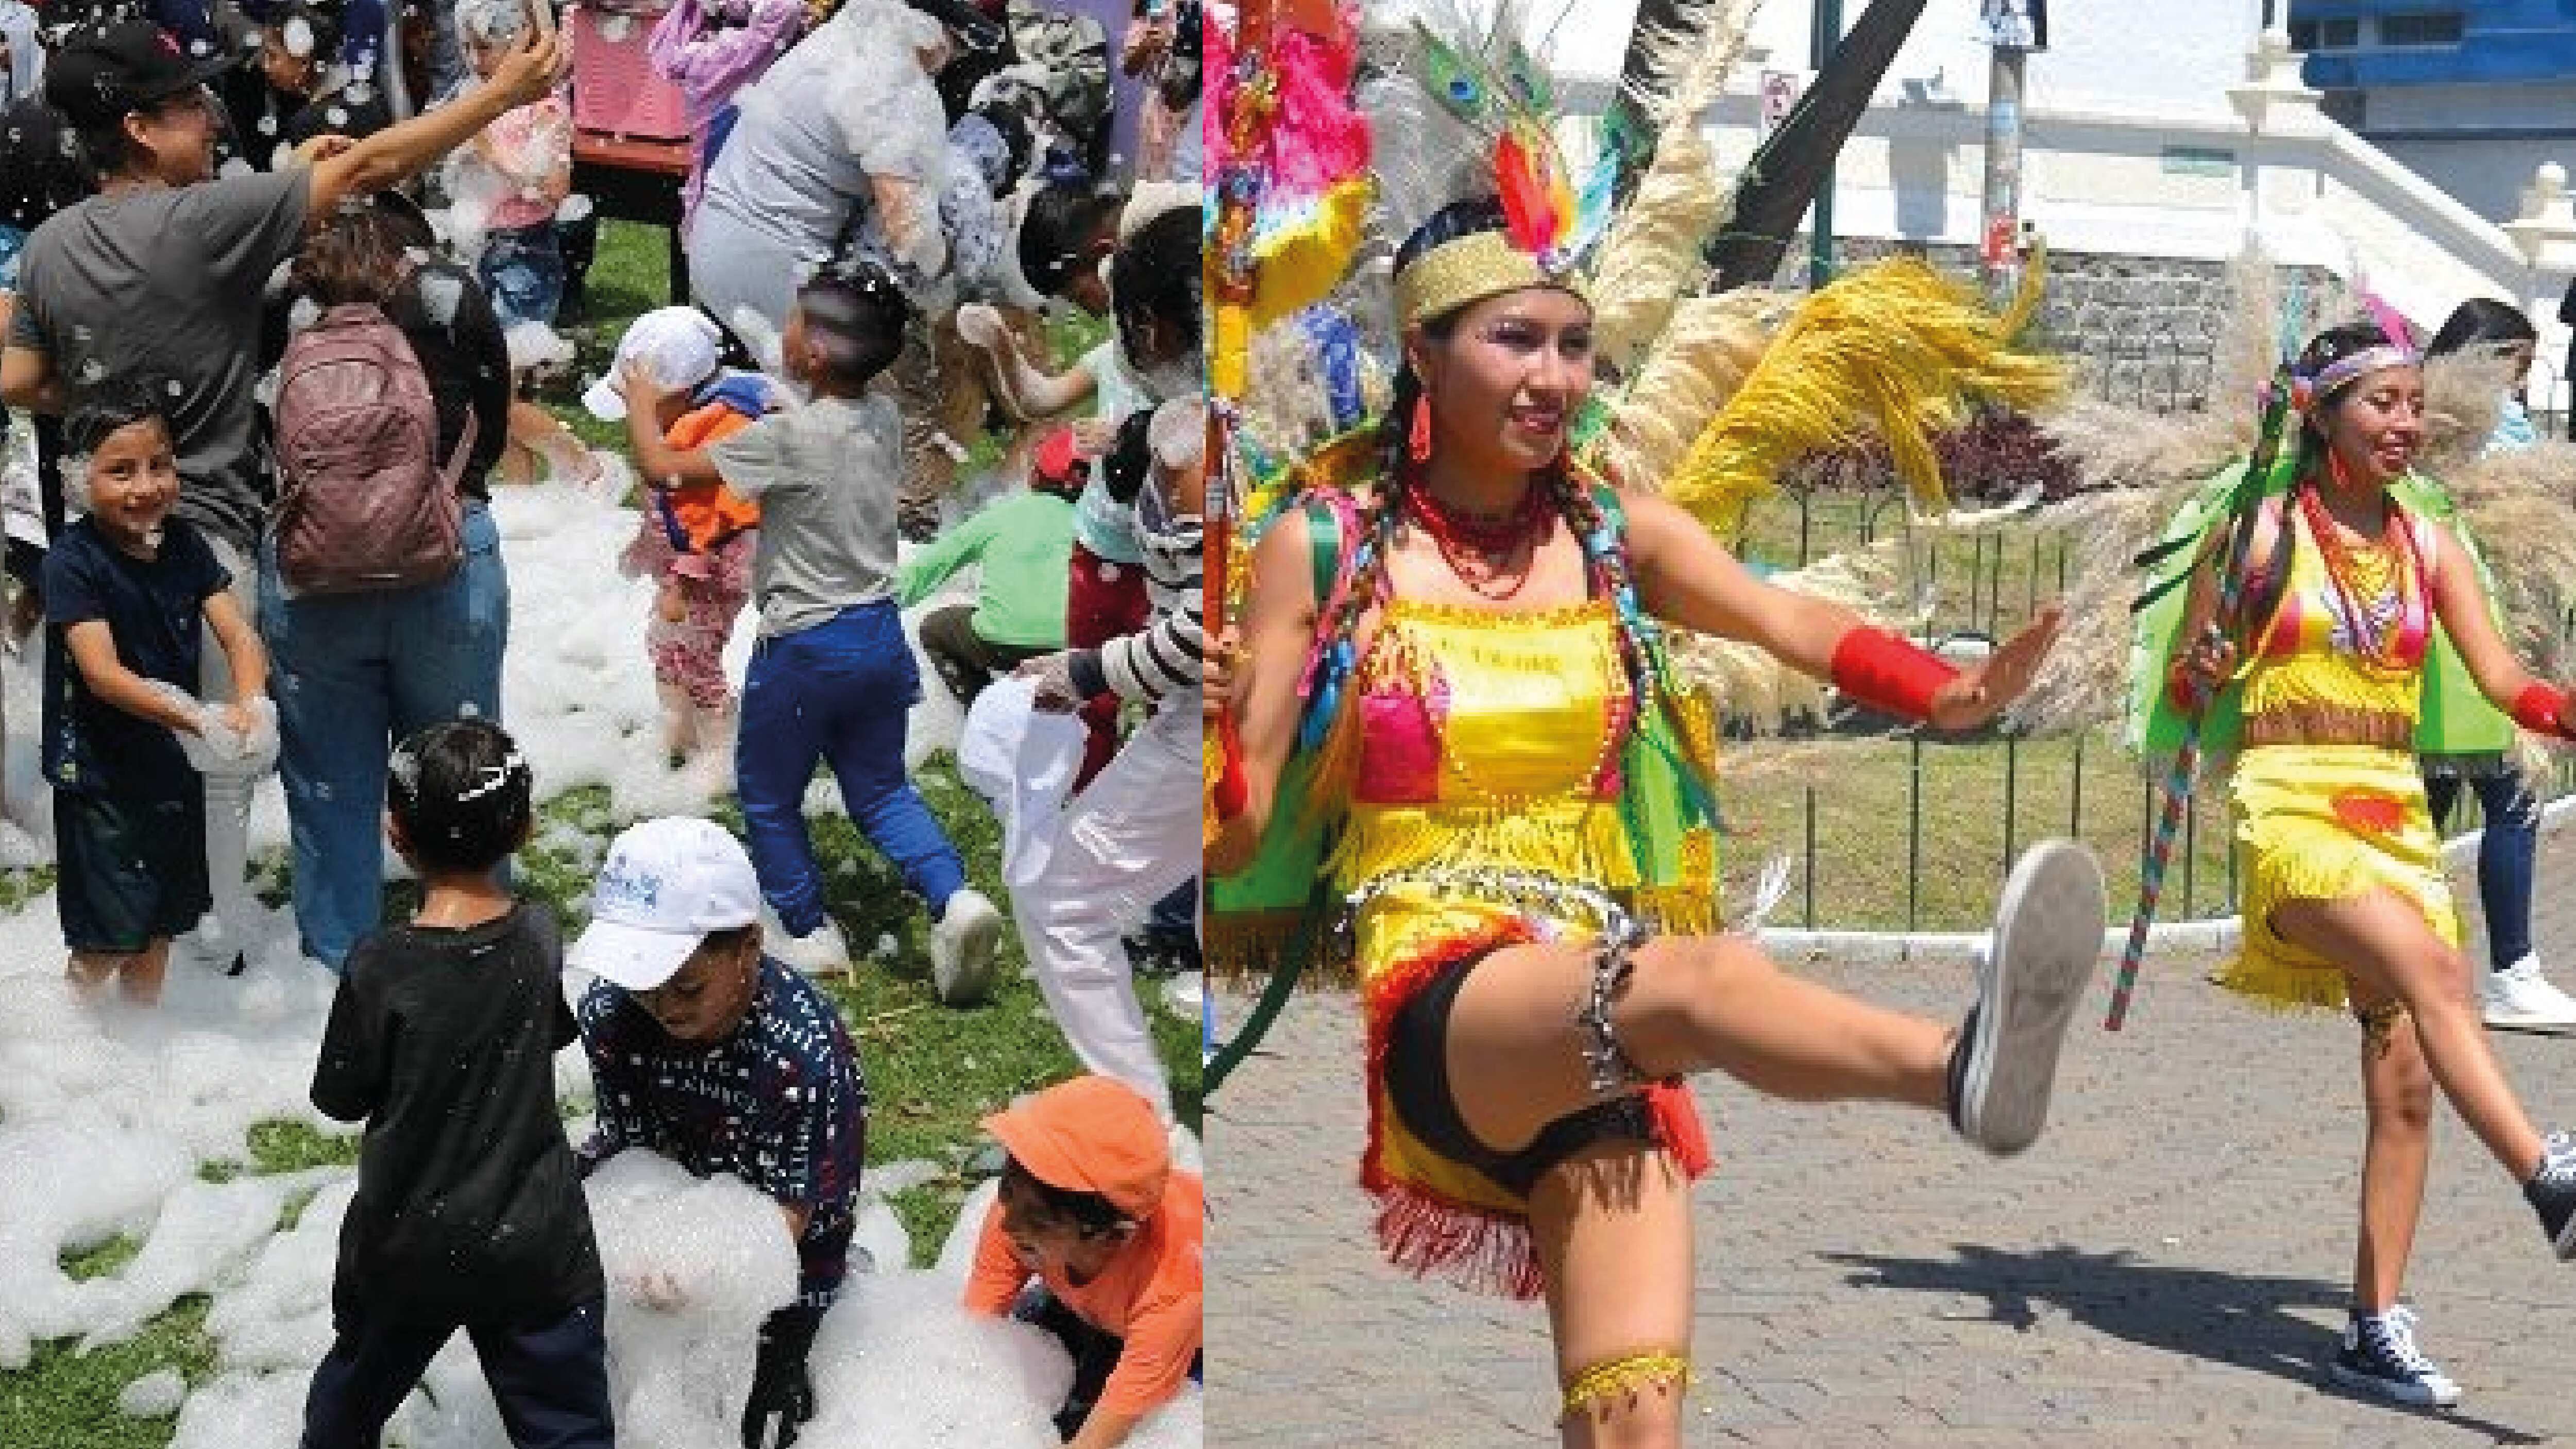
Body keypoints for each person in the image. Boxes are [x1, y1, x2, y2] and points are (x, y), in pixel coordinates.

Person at [1209, 193, 2109, 1445]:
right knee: (1701, 978)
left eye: (1572, 346)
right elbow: (1236, 833)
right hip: (1448, 991)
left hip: (1595, 1019)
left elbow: (1787, 619)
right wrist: (1200, 750)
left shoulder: (1614, 535)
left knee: (1635, 1428)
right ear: (1421, 349)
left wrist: (1945, 690)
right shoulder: (1324, 546)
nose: (1552, 376)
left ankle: (1965, 1068)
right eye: (1514, 340)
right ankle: (1960, 1068)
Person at [2, 11, 564, 973]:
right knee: (223, 763)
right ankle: (217, 938)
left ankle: (146, 955)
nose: (212, 119)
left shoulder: (54, 244)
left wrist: (110, 405)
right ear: (139, 128)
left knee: (121, 762)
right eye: (189, 106)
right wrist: (502, 97)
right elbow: (377, 164)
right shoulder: (210, 221)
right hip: (207, 545)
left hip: (99, 548)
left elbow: (15, 379)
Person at [2156, 318, 2576, 1407]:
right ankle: (2549, 1171)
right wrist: (2203, 661)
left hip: (2393, 813)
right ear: (2323, 413)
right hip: (2288, 810)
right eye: (2380, 402)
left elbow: (2503, 681)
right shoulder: (2258, 530)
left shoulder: (2427, 542)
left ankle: (2370, 1327)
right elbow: (2190, 692)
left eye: (2411, 402)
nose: (2405, 422)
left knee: (2405, 1090)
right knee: (2436, 976)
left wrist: (2568, 712)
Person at [616, 261, 1006, 1000]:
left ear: (817, 353)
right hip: (878, 635)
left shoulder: (785, 440)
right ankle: (954, 897)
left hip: (804, 647)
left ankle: (806, 930)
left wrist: (644, 401)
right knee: (883, 791)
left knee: (766, 794)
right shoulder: (882, 419)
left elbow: (665, 468)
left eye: (796, 318)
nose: (783, 327)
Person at [302, 719, 611, 1448]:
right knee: (569, 1431)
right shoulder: (538, 937)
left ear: (394, 833)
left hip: (409, 1242)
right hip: (533, 1242)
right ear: (528, 828)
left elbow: (341, 1098)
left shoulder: (381, 964)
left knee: (344, 1415)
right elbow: (552, 1032)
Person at [259, 195, 513, 971]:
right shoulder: (448, 292)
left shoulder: (281, 296)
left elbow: (259, 420)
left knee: (329, 781)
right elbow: (491, 423)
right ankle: (477, 942)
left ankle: (344, 964)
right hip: (446, 560)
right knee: (461, 765)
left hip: (313, 571)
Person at [569, 815, 866, 1449]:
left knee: (764, 1422)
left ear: (748, 948)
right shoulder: (612, 1013)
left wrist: (703, 1269)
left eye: (687, 985)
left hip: (786, 1256)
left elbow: (793, 1211)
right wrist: (639, 1246)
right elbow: (629, 1149)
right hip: (668, 1207)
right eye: (643, 984)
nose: (664, 1005)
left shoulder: (801, 1059)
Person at [42, 381, 267, 1006]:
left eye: (159, 465)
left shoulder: (185, 546)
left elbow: (238, 635)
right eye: (120, 471)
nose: (145, 487)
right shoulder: (73, 562)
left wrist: (253, 704)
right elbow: (102, 674)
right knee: (110, 935)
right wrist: (197, 717)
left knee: (161, 924)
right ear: (78, 477)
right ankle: (68, 1033)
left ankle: (141, 1043)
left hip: (168, 766)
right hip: (99, 778)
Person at [2412, 298, 2576, 1031]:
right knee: (2511, 799)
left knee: (2428, 808)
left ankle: (2401, 957)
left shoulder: (2416, 422)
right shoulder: (2474, 435)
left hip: (2457, 647)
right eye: (2519, 361)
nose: (2525, 378)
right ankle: (2512, 971)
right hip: (2478, 645)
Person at [685, 0, 965, 343]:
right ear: (924, 28)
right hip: (770, 262)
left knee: (793, 385)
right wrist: (957, 268)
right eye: (955, 43)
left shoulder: (840, 40)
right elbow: (909, 232)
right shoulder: (888, 82)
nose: (950, 59)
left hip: (719, 236)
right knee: (872, 378)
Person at [962, 1075, 1201, 1447]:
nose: (1009, 1223)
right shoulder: (1023, 1212)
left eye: (1039, 1221)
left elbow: (1097, 1439)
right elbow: (975, 1333)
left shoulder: (1169, 1289)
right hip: (1115, 1311)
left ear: (1114, 1237)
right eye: (1007, 1189)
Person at [594, 305, 772, 789]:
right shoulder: (693, 422)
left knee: (697, 657)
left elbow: (709, 528)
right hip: (689, 571)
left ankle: (716, 751)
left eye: (643, 408)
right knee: (668, 647)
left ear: (681, 396)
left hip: (709, 575)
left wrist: (679, 585)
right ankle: (676, 731)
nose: (636, 423)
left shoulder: (714, 436)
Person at [896, 420, 1079, 706]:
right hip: (1074, 647)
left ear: (1033, 476)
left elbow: (930, 566)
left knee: (934, 628)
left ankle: (981, 706)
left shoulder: (1001, 515)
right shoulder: (1096, 529)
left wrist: (881, 605)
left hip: (1001, 644)